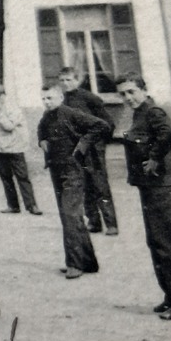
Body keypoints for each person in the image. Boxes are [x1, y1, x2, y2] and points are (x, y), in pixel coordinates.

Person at [116, 75, 171, 320]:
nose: (127, 98)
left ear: (144, 89)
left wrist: (153, 158)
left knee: (168, 244)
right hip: (150, 186)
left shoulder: (153, 111)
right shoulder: (139, 112)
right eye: (122, 94)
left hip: (161, 186)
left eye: (131, 92)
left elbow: (170, 134)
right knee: (156, 243)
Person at [38, 83, 112, 279]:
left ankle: (74, 264)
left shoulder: (71, 113)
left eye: (50, 98)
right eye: (43, 99)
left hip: (73, 171)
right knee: (70, 216)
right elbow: (41, 130)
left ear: (60, 98)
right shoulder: (47, 116)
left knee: (71, 214)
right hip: (56, 170)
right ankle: (88, 262)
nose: (46, 102)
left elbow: (101, 125)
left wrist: (83, 145)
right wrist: (42, 141)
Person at [58, 67, 119, 235]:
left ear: (77, 80)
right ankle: (94, 222)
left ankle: (111, 224)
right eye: (62, 80)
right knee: (83, 184)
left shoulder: (89, 98)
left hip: (93, 149)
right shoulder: (61, 100)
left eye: (69, 79)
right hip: (74, 150)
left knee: (99, 184)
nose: (65, 83)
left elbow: (108, 123)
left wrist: (98, 144)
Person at [0, 81, 41, 216]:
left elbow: (8, 127)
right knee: (6, 177)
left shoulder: (13, 109)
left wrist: (0, 113)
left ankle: (32, 205)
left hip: (15, 148)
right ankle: (13, 205)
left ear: (4, 95)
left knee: (22, 177)